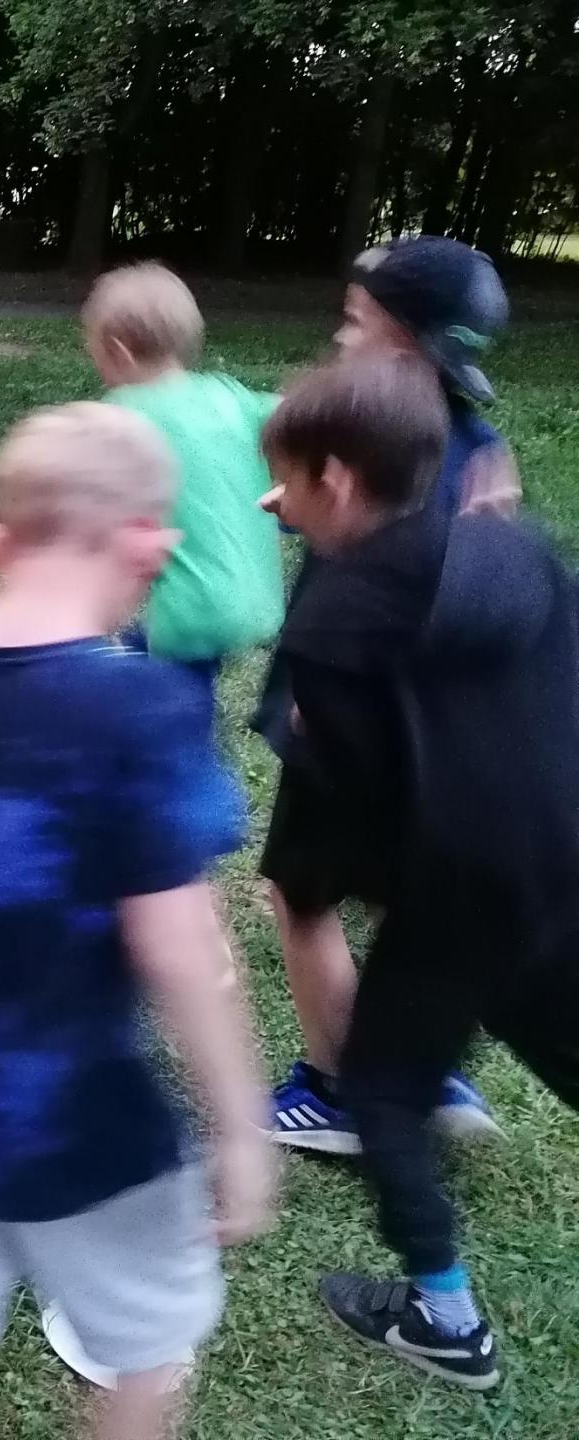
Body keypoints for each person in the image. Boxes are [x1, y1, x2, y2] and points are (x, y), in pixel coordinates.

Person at [0, 402, 274, 1440]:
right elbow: (180, 947)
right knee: (149, 1348)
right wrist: (241, 1127)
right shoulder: (142, 709)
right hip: (96, 1131)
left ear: (0, 540)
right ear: (145, 544)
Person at [259, 355, 579, 1389]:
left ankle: (445, 1321)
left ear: (336, 479)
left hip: (458, 900)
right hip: (563, 866)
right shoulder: (513, 550)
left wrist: (311, 873)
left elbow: (346, 819)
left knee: (384, 1092)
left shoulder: (332, 624)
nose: (276, 501)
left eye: (287, 480)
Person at [261, 237, 515, 1154]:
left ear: (402, 341)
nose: (341, 335)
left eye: (355, 320)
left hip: (343, 718)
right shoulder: (475, 448)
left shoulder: (372, 451)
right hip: (437, 736)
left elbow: (372, 579)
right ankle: (420, 1064)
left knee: (303, 897)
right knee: (397, 891)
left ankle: (340, 1091)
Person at [83, 263, 283, 696]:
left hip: (185, 615)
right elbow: (301, 417)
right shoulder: (229, 396)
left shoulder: (122, 415)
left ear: (117, 352)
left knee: (148, 696)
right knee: (167, 679)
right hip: (256, 600)